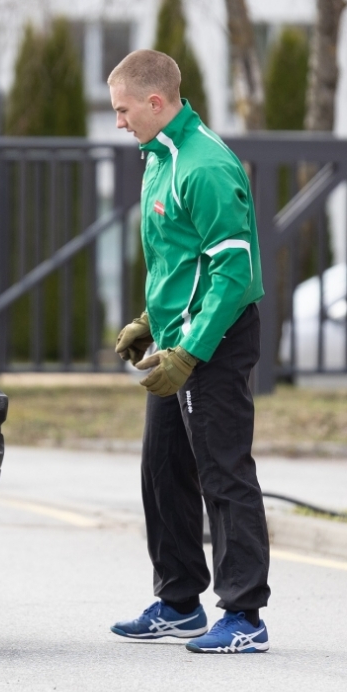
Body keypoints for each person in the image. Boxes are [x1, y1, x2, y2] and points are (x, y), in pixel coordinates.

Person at [105, 49, 272, 654]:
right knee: (163, 470)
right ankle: (179, 602)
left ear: (156, 102)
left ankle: (245, 616)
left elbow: (233, 271)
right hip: (180, 337)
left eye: (123, 109)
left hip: (215, 341)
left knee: (222, 471)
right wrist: (151, 322)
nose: (118, 121)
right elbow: (183, 259)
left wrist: (190, 353)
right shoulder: (159, 157)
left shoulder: (202, 165)